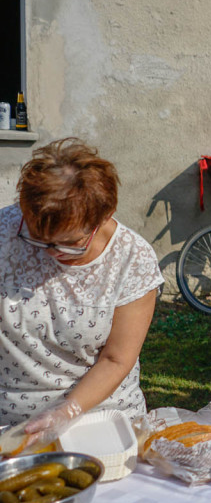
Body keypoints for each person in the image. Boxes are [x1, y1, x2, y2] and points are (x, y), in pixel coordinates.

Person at [0, 138, 162, 449]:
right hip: (10, 421)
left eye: (69, 243)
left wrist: (66, 412)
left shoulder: (133, 259)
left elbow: (116, 359)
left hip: (100, 422)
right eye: (37, 238)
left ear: (103, 216)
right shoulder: (4, 232)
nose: (50, 252)